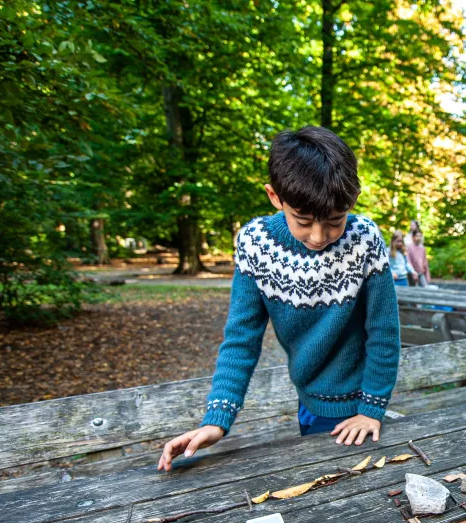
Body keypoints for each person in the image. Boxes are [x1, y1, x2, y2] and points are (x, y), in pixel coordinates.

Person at [157, 126, 401, 471]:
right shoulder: (255, 244)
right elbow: (241, 340)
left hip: (360, 406)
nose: (319, 237)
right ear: (275, 196)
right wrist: (217, 419)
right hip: (309, 399)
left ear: (354, 199)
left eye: (335, 221)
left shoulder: (364, 240)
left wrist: (370, 409)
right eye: (303, 221)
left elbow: (384, 332)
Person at [406, 220, 431, 286]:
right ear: (413, 237)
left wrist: (427, 276)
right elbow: (408, 261)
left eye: (420, 236)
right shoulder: (409, 247)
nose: (419, 238)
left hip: (421, 273)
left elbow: (425, 262)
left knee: (425, 287)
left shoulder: (422, 248)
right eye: (417, 236)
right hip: (412, 274)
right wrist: (413, 272)